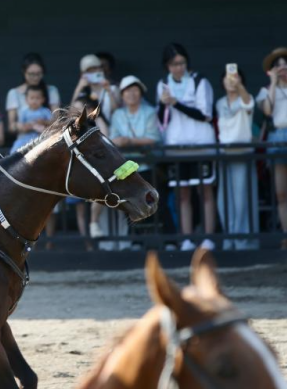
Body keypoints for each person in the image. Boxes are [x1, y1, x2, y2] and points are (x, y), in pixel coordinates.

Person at [156, 43, 216, 251]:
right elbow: (161, 119)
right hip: (177, 147)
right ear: (167, 66)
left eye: (181, 62)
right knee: (182, 194)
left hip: (201, 144)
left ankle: (208, 237)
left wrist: (176, 103)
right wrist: (165, 104)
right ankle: (186, 238)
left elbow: (205, 115)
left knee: (205, 191)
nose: (178, 67)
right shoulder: (163, 84)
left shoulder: (200, 81)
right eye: (173, 64)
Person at [91, 76, 163, 242]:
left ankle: (155, 241)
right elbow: (113, 139)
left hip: (147, 165)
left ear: (141, 93)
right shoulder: (118, 114)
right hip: (124, 168)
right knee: (129, 205)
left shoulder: (149, 112)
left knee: (152, 203)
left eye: (135, 90)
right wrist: (123, 141)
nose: (131, 94)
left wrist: (130, 141)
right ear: (122, 95)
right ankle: (133, 240)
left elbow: (153, 137)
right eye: (127, 91)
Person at [217, 67, 258, 250]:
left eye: (235, 76)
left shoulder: (246, 98)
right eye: (228, 77)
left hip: (243, 153)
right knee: (223, 200)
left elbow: (248, 103)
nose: (231, 80)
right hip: (225, 155)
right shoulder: (219, 103)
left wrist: (239, 85)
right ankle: (230, 237)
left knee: (242, 199)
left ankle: (244, 240)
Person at [257, 47, 287, 249]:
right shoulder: (265, 91)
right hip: (277, 138)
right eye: (278, 65)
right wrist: (275, 84)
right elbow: (267, 110)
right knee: (281, 193)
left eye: (285, 63)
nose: (283, 67)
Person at [6, 53, 61, 133]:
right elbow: (11, 127)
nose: (35, 77)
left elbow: (57, 121)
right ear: (23, 72)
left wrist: (44, 122)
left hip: (46, 137)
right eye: (31, 74)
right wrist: (20, 126)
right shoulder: (14, 93)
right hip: (24, 139)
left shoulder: (51, 90)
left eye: (39, 74)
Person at [70, 54, 117, 135]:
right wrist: (78, 88)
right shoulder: (82, 92)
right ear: (83, 74)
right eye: (89, 71)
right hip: (89, 133)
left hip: (113, 131)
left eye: (95, 69)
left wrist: (108, 90)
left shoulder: (112, 88)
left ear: (101, 69)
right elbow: (71, 114)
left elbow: (116, 111)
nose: (93, 72)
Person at [9, 84, 51, 152]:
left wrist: (44, 122)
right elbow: (21, 125)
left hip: (41, 138)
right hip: (25, 138)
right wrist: (28, 126)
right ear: (26, 99)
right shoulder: (24, 112)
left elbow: (52, 123)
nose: (34, 101)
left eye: (37, 98)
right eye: (32, 98)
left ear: (43, 99)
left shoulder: (45, 111)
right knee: (15, 150)